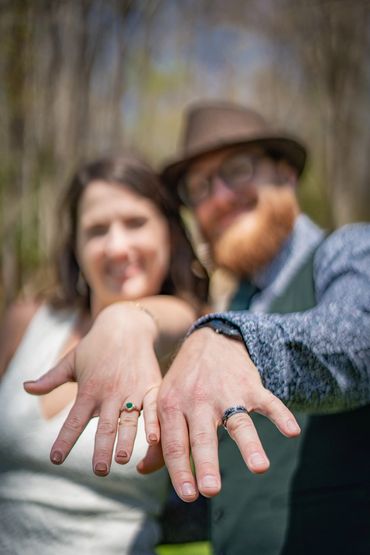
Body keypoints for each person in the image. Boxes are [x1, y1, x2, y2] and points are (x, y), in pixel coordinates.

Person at [25, 101, 370, 554]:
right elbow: (229, 493)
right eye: (200, 187)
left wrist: (233, 340)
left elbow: (354, 342)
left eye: (239, 169)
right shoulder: (235, 302)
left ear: (285, 175)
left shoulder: (349, 250)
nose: (220, 198)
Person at [0, 153, 209, 554]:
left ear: (169, 232)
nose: (117, 246)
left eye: (135, 223)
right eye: (97, 230)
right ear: (75, 246)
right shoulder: (26, 322)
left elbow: (177, 318)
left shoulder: (190, 337)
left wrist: (125, 320)